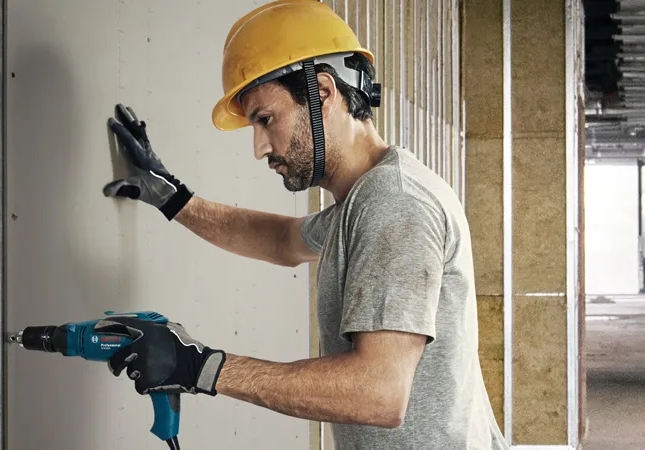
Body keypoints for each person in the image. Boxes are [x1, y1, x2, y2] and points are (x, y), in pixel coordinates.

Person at [99, 0, 509, 448]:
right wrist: (173, 198)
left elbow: (380, 392)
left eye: (265, 120)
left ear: (324, 93)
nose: (259, 148)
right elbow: (281, 240)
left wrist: (201, 367)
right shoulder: (362, 203)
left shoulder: (394, 202)